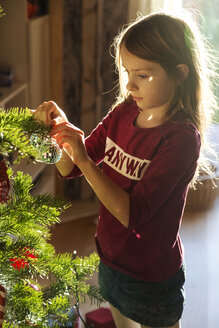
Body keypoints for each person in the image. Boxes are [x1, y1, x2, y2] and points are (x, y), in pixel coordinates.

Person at [33, 10, 217, 328]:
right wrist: (58, 133)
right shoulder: (123, 112)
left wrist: (85, 161)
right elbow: (69, 169)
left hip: (152, 277)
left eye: (142, 75)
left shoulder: (182, 138)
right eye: (127, 71)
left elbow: (133, 214)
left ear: (180, 72)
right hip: (110, 260)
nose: (129, 84)